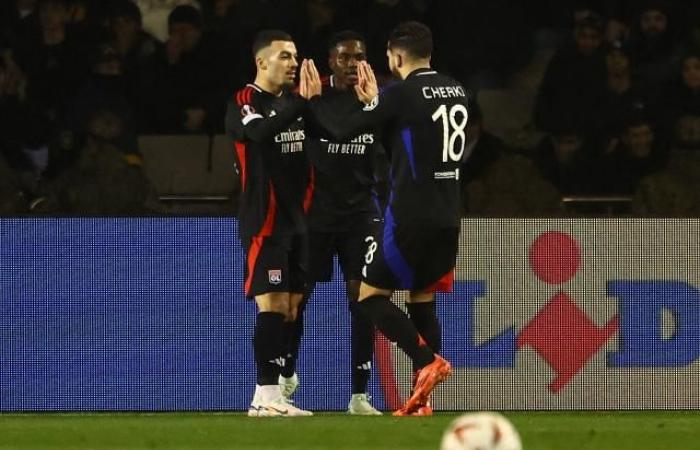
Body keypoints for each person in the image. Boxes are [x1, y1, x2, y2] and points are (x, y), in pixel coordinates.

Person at [300, 21, 457, 416]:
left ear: (397, 56)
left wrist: (316, 103)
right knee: (423, 299)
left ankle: (427, 362)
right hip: (449, 214)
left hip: (410, 215)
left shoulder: (400, 94)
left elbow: (344, 130)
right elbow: (407, 140)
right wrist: (378, 108)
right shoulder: (457, 91)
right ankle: (423, 400)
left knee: (369, 297)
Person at [279, 30, 383, 415]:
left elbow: (390, 147)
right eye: (345, 57)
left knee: (364, 302)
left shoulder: (375, 99)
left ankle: (359, 395)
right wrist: (301, 105)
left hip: (360, 215)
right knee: (296, 301)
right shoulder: (311, 96)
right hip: (316, 216)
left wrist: (375, 108)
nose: (353, 64)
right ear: (331, 61)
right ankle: (286, 374)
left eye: (359, 57)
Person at [225, 29, 313, 418]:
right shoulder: (245, 100)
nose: (292, 63)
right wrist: (301, 106)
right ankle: (264, 396)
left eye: (295, 56)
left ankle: (280, 387)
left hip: (300, 221)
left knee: (292, 308)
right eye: (284, 56)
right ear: (262, 62)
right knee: (272, 304)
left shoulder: (297, 103)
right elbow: (258, 131)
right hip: (265, 219)